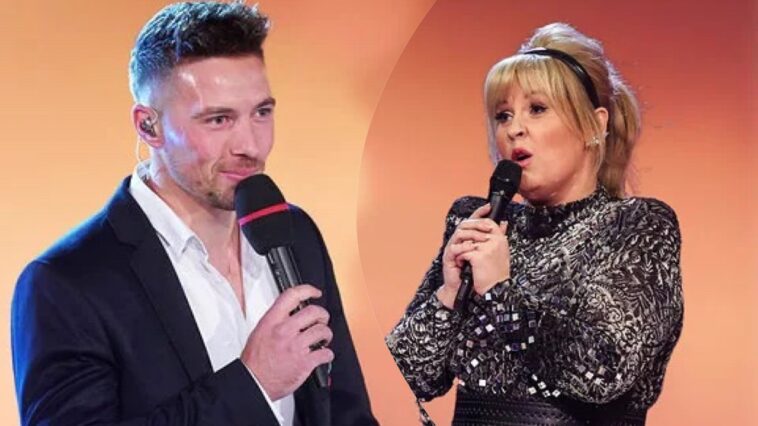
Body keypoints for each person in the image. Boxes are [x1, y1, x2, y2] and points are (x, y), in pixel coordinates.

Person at [11, 2, 377, 425]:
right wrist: (254, 383)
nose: (250, 146)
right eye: (219, 120)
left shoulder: (295, 231)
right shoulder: (66, 283)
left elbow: (346, 414)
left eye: (262, 113)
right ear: (148, 126)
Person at [386, 22, 683, 425]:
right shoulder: (480, 225)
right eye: (502, 115)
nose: (514, 129)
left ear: (595, 125)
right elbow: (410, 377)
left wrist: (499, 294)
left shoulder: (635, 225)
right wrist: (449, 293)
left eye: (537, 109)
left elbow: (604, 372)